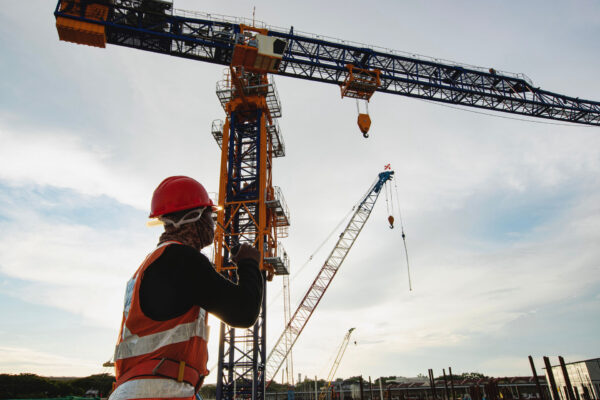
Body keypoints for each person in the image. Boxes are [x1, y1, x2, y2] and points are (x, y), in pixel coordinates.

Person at [109, 176, 264, 400]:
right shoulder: (183, 259)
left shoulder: (152, 264)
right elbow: (244, 312)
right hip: (159, 390)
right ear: (195, 217)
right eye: (210, 216)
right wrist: (249, 264)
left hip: (142, 386)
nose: (212, 224)